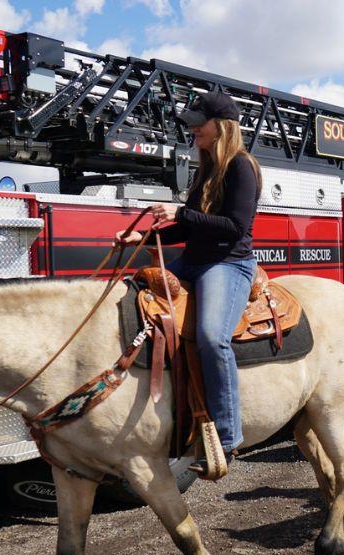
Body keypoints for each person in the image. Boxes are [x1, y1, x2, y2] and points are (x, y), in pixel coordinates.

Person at [116, 91, 262, 476]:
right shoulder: (207, 168)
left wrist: (179, 212)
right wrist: (145, 240)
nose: (193, 129)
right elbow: (188, 226)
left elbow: (234, 228)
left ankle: (228, 438)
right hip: (194, 261)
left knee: (213, 336)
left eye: (200, 122)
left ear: (222, 126)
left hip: (227, 264)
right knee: (132, 302)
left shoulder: (241, 167)